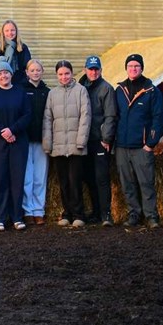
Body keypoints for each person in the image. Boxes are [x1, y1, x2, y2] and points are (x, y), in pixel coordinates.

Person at [114, 54, 163, 229]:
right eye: (130, 66)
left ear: (142, 68)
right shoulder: (119, 91)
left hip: (141, 147)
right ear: (126, 68)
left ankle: (151, 216)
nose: (133, 69)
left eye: (136, 66)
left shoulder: (151, 91)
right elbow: (114, 116)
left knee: (146, 183)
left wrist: (150, 143)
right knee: (127, 184)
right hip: (121, 146)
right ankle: (134, 214)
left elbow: (158, 118)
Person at [42, 60, 91, 228]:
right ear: (57, 75)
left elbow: (85, 117)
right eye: (61, 74)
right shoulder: (52, 94)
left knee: (75, 180)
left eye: (67, 73)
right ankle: (67, 213)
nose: (64, 77)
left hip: (75, 145)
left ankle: (79, 214)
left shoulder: (81, 91)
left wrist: (81, 141)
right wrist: (48, 144)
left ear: (72, 73)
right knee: (63, 181)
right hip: (59, 146)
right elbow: (47, 120)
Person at [0, 60, 32, 231]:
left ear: (11, 74)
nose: (3, 76)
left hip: (18, 142)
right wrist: (3, 132)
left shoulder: (20, 93)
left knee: (17, 180)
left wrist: (12, 130)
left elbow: (27, 115)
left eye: (6, 72)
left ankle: (17, 217)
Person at [78, 55, 117, 225]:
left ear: (101, 70)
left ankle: (105, 213)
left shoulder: (106, 88)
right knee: (88, 177)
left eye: (96, 69)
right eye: (90, 69)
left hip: (99, 140)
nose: (93, 72)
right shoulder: (80, 87)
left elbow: (111, 115)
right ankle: (95, 211)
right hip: (84, 140)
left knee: (101, 177)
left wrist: (106, 138)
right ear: (85, 70)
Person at [22, 59, 50, 225]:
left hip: (41, 140)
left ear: (42, 71)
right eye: (32, 70)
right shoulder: (21, 91)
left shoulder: (47, 92)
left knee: (40, 177)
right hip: (25, 139)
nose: (35, 73)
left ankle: (39, 210)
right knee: (27, 177)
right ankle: (27, 210)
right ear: (27, 72)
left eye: (38, 70)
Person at [0, 19, 32, 85]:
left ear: (16, 31)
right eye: (7, 31)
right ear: (3, 32)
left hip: (21, 83)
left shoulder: (23, 47)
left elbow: (27, 66)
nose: (10, 33)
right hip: (3, 83)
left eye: (12, 30)